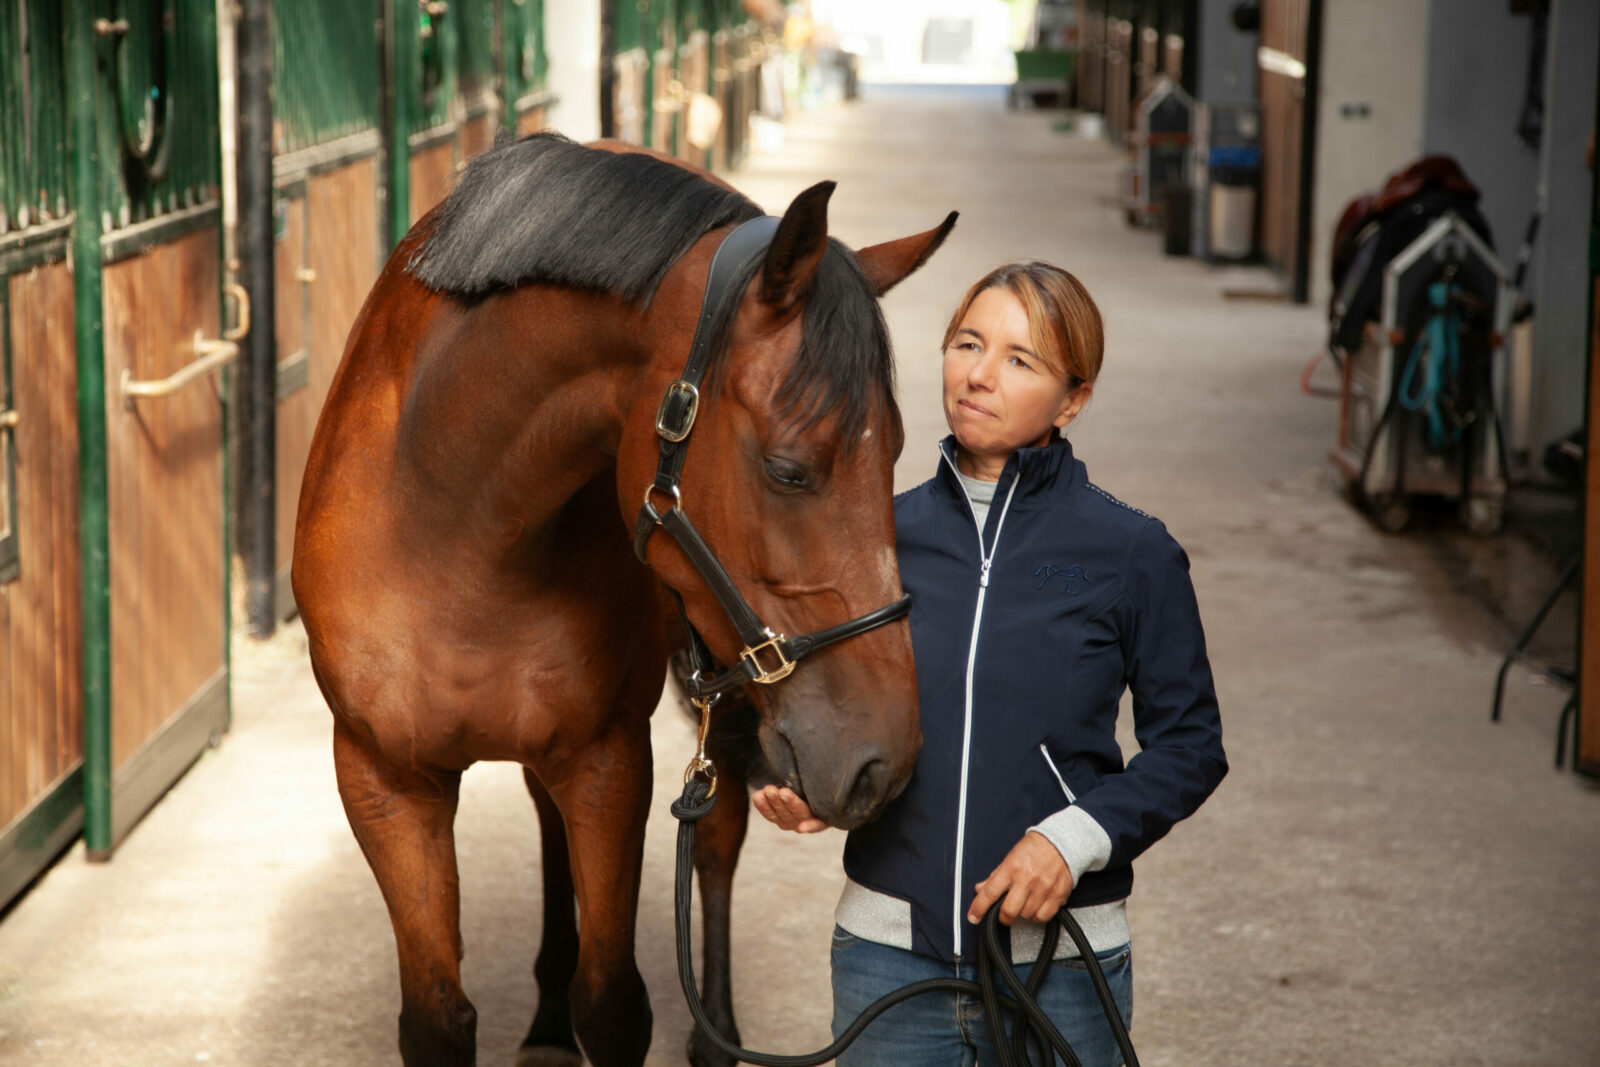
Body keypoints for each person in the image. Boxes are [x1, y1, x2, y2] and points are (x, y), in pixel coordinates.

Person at [752, 261, 1227, 1066]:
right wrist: (815, 783)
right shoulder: (875, 537)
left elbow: (1191, 747)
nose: (979, 374)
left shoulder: (1131, 552)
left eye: (1020, 359)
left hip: (1064, 965)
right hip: (887, 958)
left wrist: (1073, 840)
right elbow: (822, 691)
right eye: (967, 343)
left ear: (1072, 398)